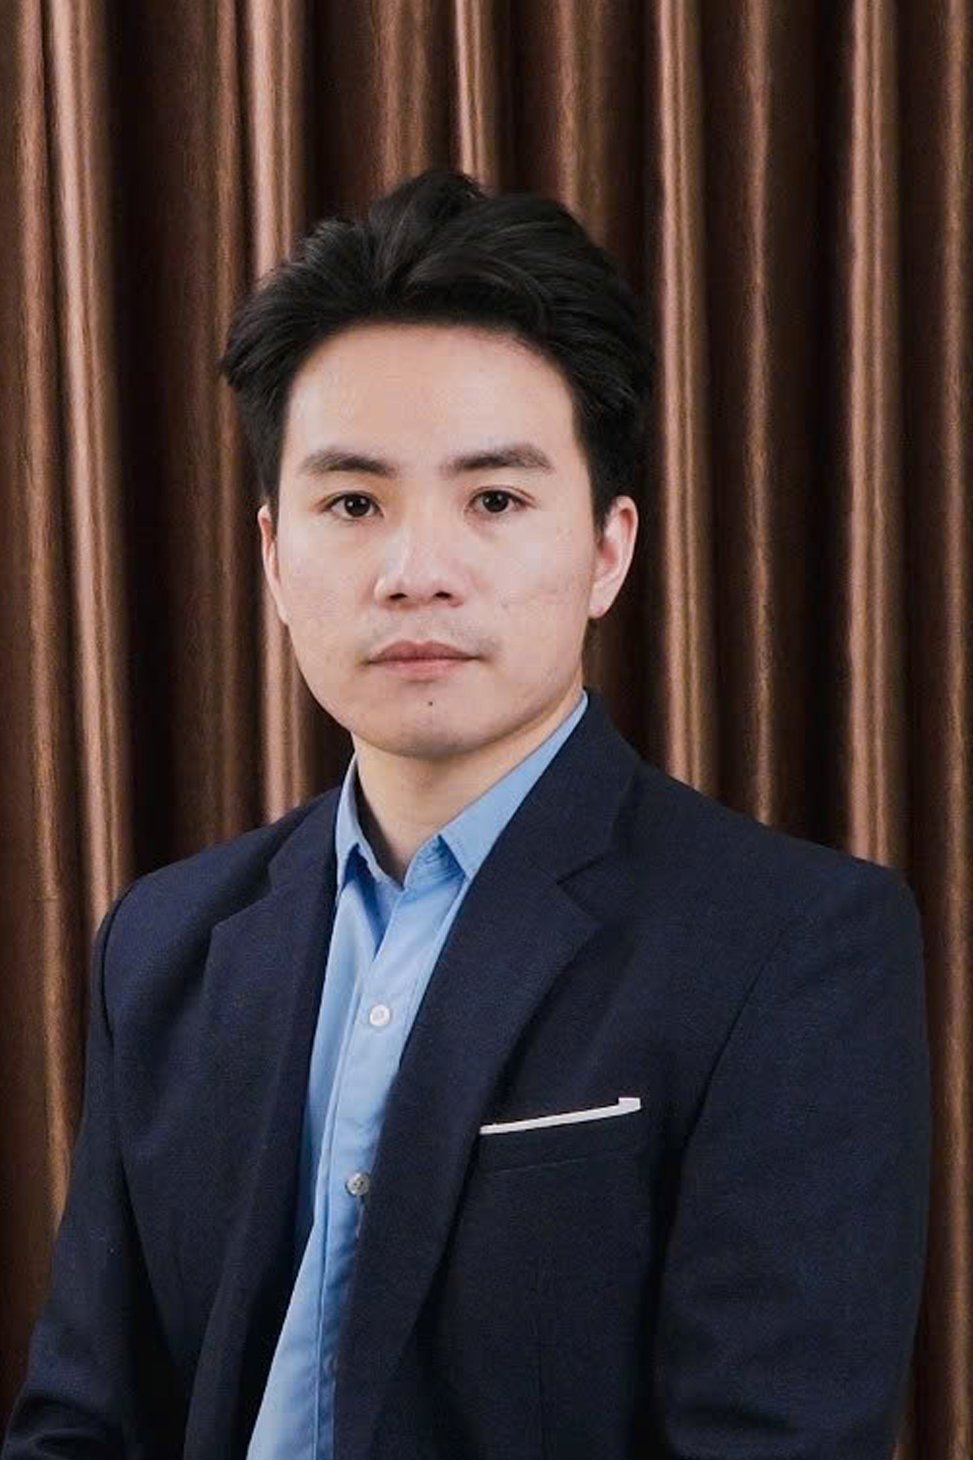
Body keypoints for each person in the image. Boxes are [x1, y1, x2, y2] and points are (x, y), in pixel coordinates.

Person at [3, 167, 930, 1460]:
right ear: (273, 556)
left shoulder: (793, 944)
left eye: (494, 500)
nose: (415, 571)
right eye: (353, 503)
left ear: (607, 550)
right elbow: (84, 1418)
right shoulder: (163, 943)